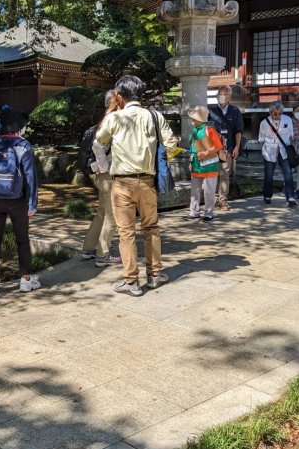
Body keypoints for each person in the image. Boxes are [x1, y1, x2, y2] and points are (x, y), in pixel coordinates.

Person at [95, 75, 178, 297]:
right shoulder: (154, 116)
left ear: (119, 97)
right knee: (151, 228)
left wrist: (110, 110)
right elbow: (171, 144)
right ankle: (154, 274)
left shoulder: (115, 118)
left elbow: (100, 139)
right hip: (148, 181)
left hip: (122, 183)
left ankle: (131, 281)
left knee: (126, 233)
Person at [0, 108, 38, 295]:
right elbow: (30, 179)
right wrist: (32, 204)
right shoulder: (23, 146)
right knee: (22, 240)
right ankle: (25, 280)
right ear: (19, 127)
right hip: (17, 199)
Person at [81, 90, 121, 267]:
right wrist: (104, 168)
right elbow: (99, 147)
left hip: (99, 174)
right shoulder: (113, 121)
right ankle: (103, 255)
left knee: (102, 212)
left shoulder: (102, 121)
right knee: (111, 217)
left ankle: (89, 248)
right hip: (107, 174)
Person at [209, 85, 244, 211]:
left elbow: (238, 131)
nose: (221, 96)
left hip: (227, 148)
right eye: (219, 94)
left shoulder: (235, 111)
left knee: (224, 175)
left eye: (224, 94)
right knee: (212, 175)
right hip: (212, 149)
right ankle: (212, 199)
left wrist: (237, 147)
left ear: (229, 97)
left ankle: (222, 201)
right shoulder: (211, 111)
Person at [185, 105, 221, 222]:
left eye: (194, 119)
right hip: (197, 164)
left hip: (209, 165)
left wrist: (205, 153)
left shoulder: (209, 130)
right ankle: (194, 212)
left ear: (200, 119)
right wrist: (191, 161)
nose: (192, 121)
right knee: (194, 190)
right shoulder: (195, 131)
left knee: (209, 190)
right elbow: (192, 147)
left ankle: (209, 213)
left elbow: (218, 146)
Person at [258, 101, 297, 206]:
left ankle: (291, 197)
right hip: (269, 150)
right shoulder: (264, 122)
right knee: (269, 174)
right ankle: (267, 196)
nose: (278, 115)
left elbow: (291, 135)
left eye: (280, 113)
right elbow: (261, 138)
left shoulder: (287, 119)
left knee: (288, 173)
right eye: (275, 113)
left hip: (283, 150)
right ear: (270, 112)